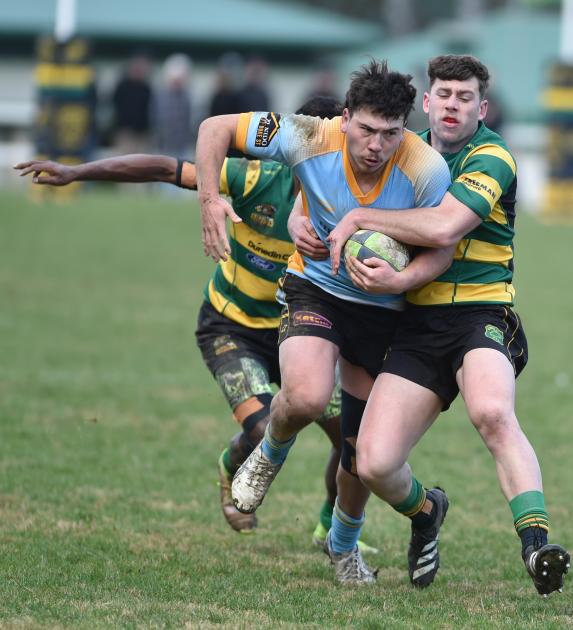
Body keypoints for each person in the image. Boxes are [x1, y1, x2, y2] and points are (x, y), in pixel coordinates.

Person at [13, 96, 377, 552]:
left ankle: (329, 528)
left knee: (352, 438)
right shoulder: (255, 178)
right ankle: (231, 462)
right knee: (265, 430)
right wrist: (76, 172)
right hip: (231, 327)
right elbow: (167, 168)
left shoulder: (359, 200)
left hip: (302, 329)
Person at [196, 60, 453, 584]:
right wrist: (209, 199)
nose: (377, 145)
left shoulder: (427, 169)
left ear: (406, 127)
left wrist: (401, 282)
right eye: (365, 130)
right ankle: (268, 455)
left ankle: (343, 546)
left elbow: (443, 249)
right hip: (315, 287)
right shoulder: (308, 135)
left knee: (358, 451)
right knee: (309, 396)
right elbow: (214, 128)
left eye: (391, 133)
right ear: (345, 117)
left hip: (383, 311)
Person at [326, 54, 570, 596]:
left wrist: (364, 221)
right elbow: (334, 190)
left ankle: (536, 546)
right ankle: (427, 509)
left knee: (491, 410)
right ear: (428, 102)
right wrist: (304, 217)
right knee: (374, 462)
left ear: (482, 107)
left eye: (465, 97)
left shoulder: (493, 156)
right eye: (444, 94)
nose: (453, 105)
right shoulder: (403, 151)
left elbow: (446, 225)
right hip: (416, 324)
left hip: (482, 314)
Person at [111, 54, 153, 154]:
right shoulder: (123, 86)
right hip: (125, 131)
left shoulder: (146, 88)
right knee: (124, 161)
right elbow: (115, 105)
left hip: (142, 132)